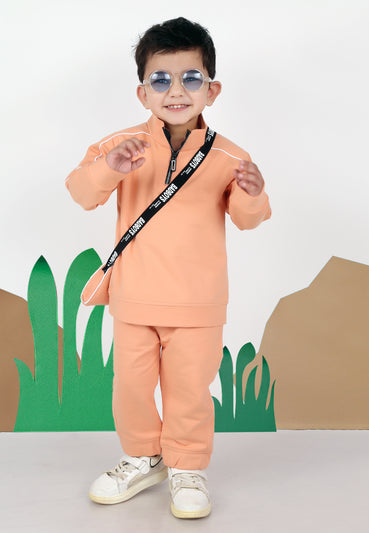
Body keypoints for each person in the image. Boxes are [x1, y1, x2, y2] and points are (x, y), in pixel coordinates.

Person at [65, 17, 271, 519]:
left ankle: (187, 467)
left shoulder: (230, 156)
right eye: (161, 79)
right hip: (134, 298)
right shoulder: (120, 144)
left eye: (190, 78)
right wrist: (111, 168)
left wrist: (253, 192)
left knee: (189, 393)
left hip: (198, 304)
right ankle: (143, 457)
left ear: (212, 89)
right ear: (143, 93)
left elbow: (249, 220)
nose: (176, 91)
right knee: (130, 387)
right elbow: (81, 192)